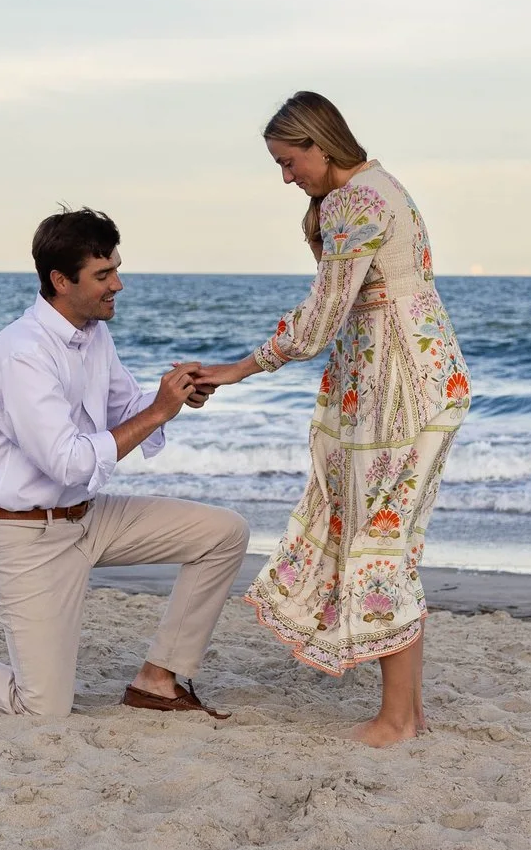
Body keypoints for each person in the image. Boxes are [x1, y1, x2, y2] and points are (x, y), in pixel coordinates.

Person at [0, 208, 250, 720]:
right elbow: (68, 464)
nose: (118, 283)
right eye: (103, 275)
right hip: (23, 539)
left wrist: (174, 395)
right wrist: (158, 411)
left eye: (116, 268)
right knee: (43, 709)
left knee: (223, 533)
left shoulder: (93, 334)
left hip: (87, 518)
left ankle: (157, 680)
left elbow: (123, 411)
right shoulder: (23, 354)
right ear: (60, 280)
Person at [189, 93, 470, 746]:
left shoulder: (354, 203)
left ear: (319, 143)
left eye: (289, 162)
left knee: (380, 544)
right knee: (387, 540)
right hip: (417, 381)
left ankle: (398, 720)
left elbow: (319, 321)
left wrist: (238, 368)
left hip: (399, 393)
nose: (287, 178)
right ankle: (409, 714)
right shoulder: (375, 185)